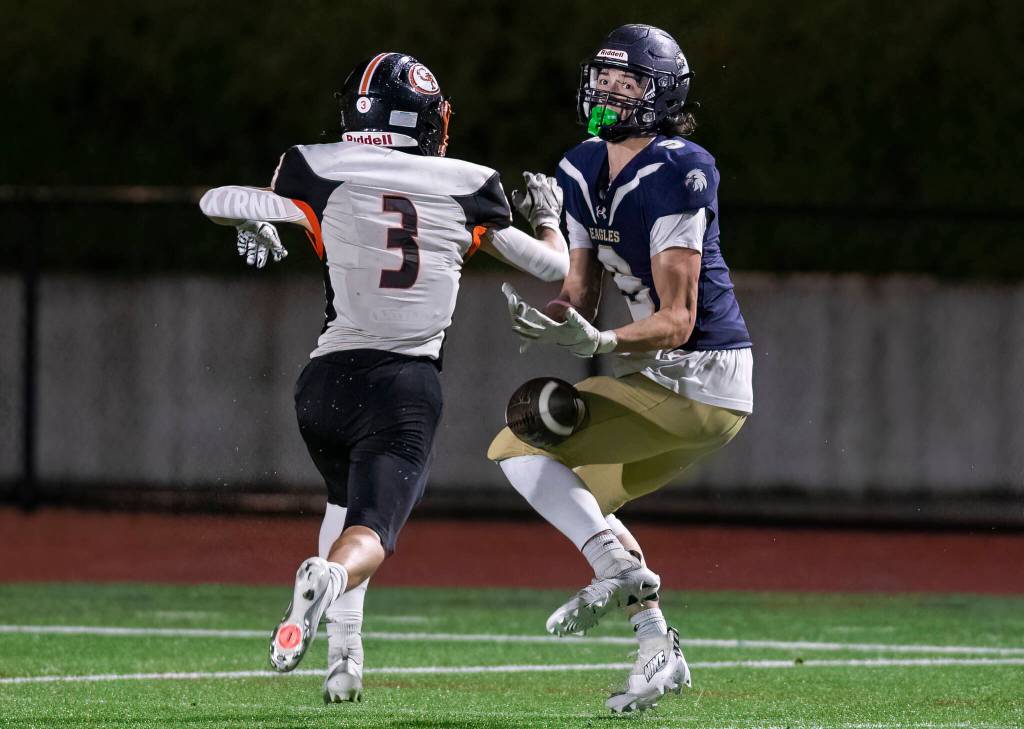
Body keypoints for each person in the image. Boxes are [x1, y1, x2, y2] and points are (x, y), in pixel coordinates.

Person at [199, 52, 569, 704]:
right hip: (403, 386)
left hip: (322, 384)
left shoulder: (314, 165)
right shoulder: (468, 181)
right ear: (426, 120)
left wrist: (258, 217)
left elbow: (214, 200)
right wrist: (548, 217)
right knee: (369, 535)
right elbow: (548, 268)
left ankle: (344, 659)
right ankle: (326, 578)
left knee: (343, 507)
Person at [488, 24, 753, 713]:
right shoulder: (578, 166)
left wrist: (596, 338)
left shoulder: (679, 166)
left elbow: (678, 319)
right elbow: (578, 296)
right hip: (665, 378)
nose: (608, 90)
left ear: (661, 94)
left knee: (517, 443)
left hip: (701, 375)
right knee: (575, 492)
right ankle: (656, 645)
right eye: (602, 77)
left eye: (626, 81)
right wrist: (552, 319)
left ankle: (616, 574)